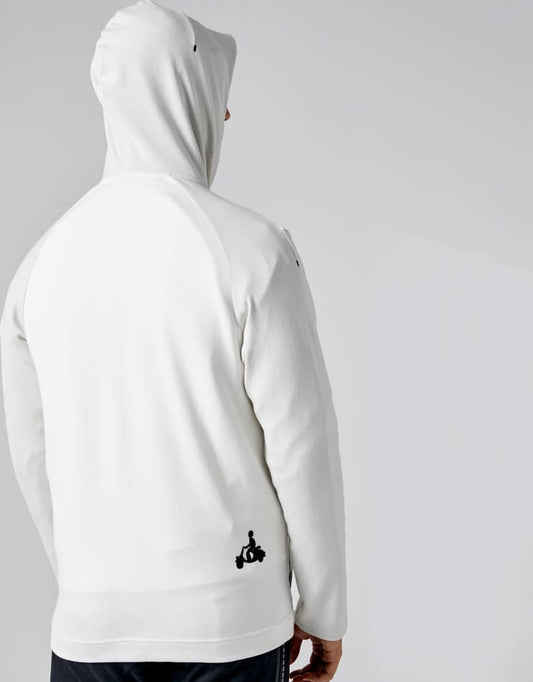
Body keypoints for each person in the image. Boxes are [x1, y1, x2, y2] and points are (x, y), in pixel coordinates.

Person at [0, 1, 347, 680]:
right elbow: (303, 445)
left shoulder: (38, 266)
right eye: (216, 94)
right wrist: (325, 609)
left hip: (91, 633)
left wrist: (92, 588)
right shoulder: (252, 250)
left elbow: (32, 458)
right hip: (229, 629)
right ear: (184, 97)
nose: (226, 114)